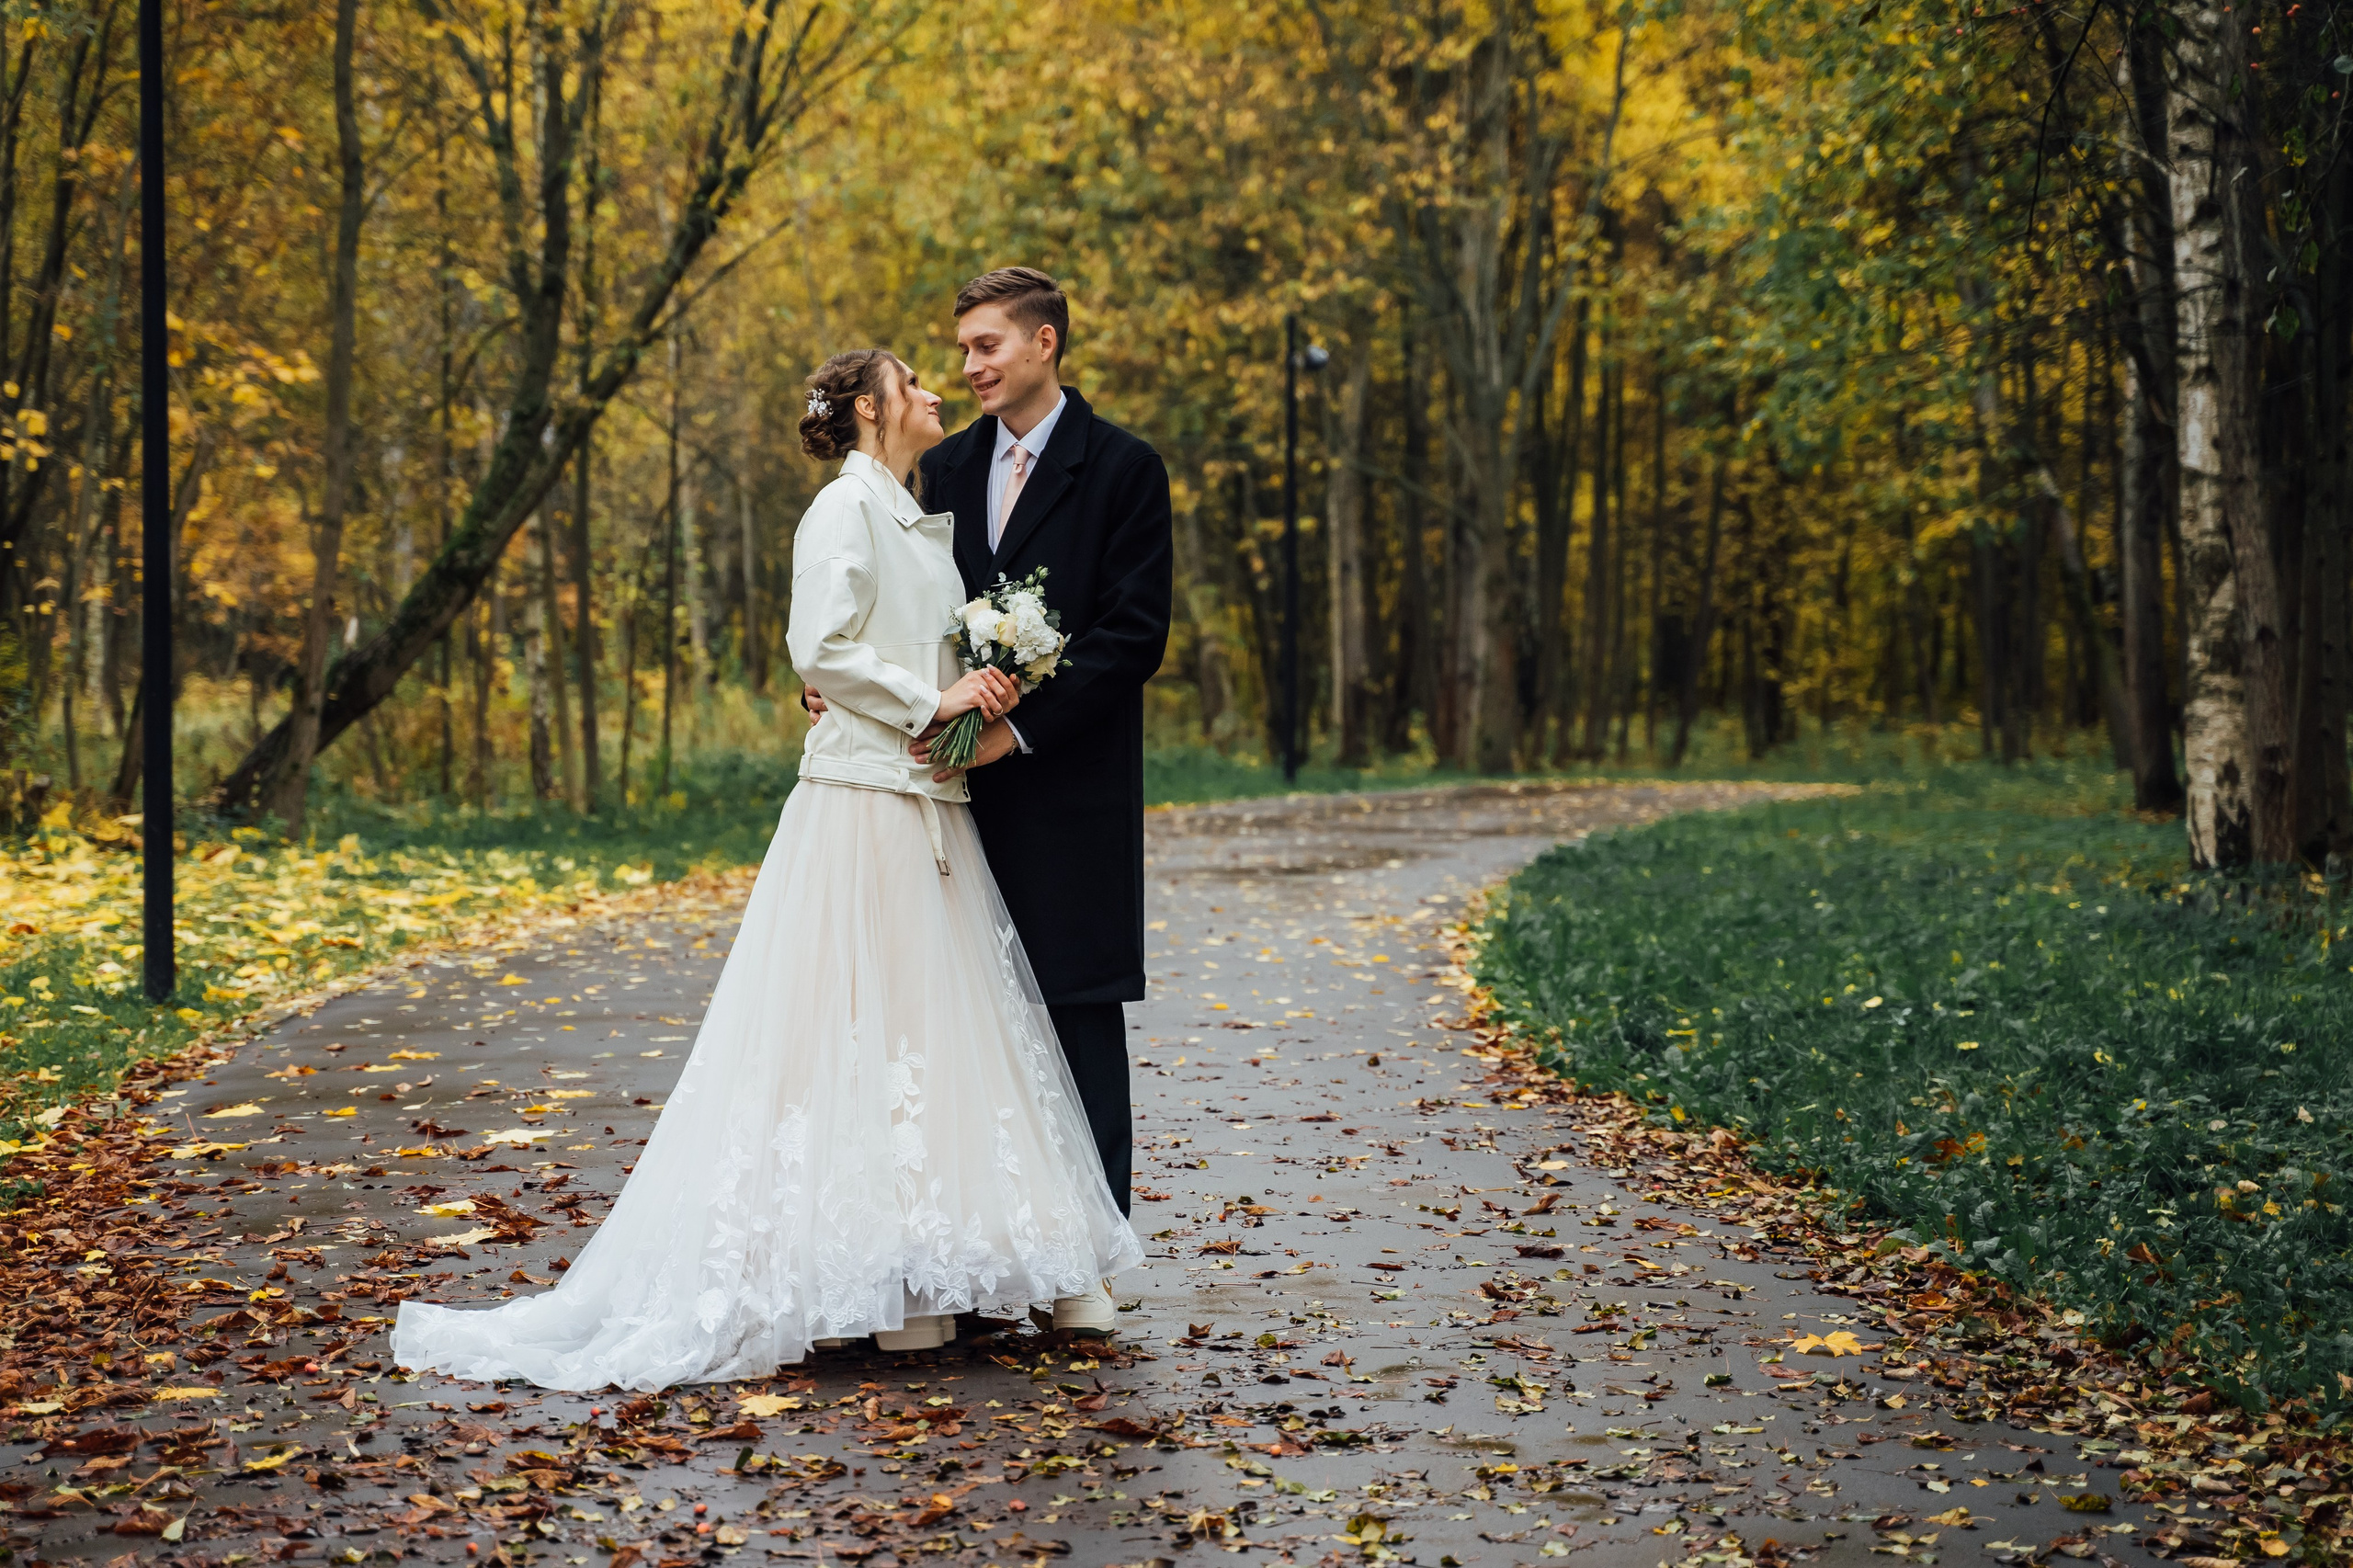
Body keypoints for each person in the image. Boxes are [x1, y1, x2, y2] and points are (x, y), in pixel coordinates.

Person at [389, 348, 1141, 1392]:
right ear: (875, 408)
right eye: (915, 380)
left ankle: (908, 1283)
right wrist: (935, 702)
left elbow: (874, 649)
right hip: (861, 809)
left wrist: (965, 686)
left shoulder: (906, 508)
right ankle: (868, 1286)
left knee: (924, 1039)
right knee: (845, 1035)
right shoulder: (841, 509)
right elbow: (817, 644)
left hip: (924, 801)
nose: (935, 393)